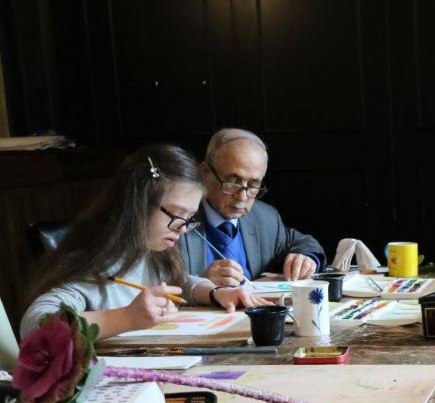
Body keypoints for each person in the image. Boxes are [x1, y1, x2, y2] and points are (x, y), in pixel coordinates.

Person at [21, 145, 270, 340]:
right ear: (138, 206)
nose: (183, 228)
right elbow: (35, 326)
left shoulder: (150, 251)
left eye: (189, 218)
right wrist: (125, 318)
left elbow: (179, 282)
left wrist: (215, 293)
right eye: (175, 215)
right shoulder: (92, 264)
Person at [180, 128, 325, 286]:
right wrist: (198, 285)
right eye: (233, 182)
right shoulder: (175, 220)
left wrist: (306, 257)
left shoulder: (265, 217)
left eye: (253, 185)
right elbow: (154, 285)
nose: (242, 197)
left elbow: (303, 242)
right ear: (205, 173)